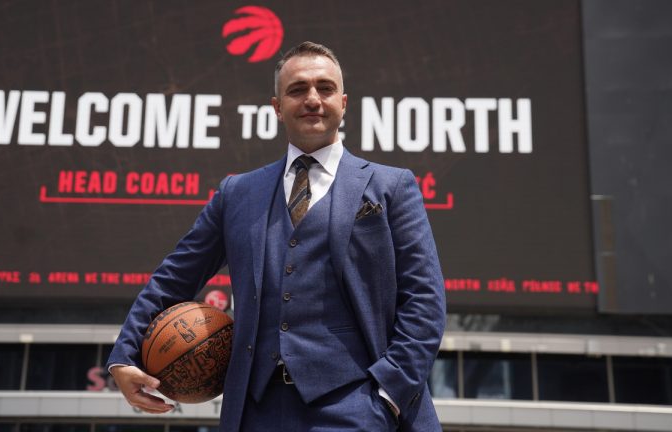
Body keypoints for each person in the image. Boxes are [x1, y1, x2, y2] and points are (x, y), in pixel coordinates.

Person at [107, 41, 446, 431]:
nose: (313, 99)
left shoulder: (392, 186)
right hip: (255, 410)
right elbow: (175, 276)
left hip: (357, 406)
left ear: (344, 102)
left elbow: (424, 300)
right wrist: (124, 356)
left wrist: (386, 396)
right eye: (298, 89)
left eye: (325, 88)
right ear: (277, 107)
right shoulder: (237, 193)